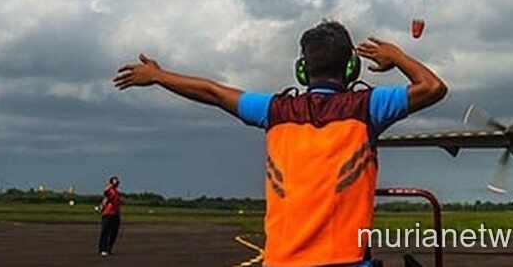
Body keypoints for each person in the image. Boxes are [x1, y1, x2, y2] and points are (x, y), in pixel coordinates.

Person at [113, 21, 446, 267]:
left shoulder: (274, 110)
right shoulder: (367, 106)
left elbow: (212, 92)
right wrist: (397, 55)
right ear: (351, 67)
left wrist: (157, 75)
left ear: (301, 70)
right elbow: (432, 87)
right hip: (345, 261)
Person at [97, 175, 121, 257]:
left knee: (114, 233)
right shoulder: (109, 190)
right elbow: (105, 195)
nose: (117, 183)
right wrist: (101, 207)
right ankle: (102, 249)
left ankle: (109, 249)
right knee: (105, 232)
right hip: (108, 214)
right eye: (115, 181)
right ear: (111, 182)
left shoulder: (117, 192)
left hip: (116, 214)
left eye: (117, 182)